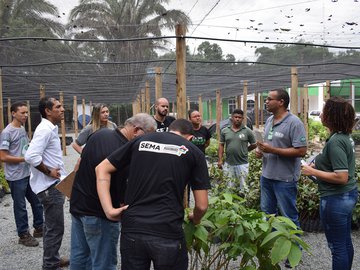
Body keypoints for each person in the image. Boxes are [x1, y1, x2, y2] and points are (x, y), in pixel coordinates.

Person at [96, 119, 210, 270]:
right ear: (190, 137)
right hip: (168, 231)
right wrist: (195, 219)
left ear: (170, 129)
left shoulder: (141, 141)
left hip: (133, 229)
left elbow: (101, 168)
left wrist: (109, 210)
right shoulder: (194, 152)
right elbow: (202, 206)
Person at [69, 113, 156, 270]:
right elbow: (119, 187)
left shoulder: (100, 134)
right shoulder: (123, 151)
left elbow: (81, 163)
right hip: (99, 214)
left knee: (80, 257)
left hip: (78, 205)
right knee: (104, 262)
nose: (147, 141)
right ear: (136, 130)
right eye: (148, 136)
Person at [302, 97, 357, 270]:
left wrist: (311, 171)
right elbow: (341, 164)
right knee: (345, 242)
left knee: (337, 247)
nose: (321, 114)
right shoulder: (343, 137)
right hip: (347, 196)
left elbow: (341, 177)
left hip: (335, 199)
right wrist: (319, 164)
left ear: (332, 115)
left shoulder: (335, 142)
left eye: (324, 110)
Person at [25, 97, 69, 269]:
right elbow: (30, 156)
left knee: (52, 226)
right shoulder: (45, 129)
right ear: (48, 111)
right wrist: (49, 171)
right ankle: (51, 264)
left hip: (50, 186)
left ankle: (53, 259)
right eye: (58, 106)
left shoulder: (49, 127)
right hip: (49, 187)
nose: (63, 109)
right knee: (54, 228)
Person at [256, 89, 307, 229]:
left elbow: (301, 150)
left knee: (288, 216)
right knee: (268, 215)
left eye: (269, 99)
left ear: (281, 102)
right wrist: (260, 150)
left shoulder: (294, 123)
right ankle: (274, 247)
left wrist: (273, 150)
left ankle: (295, 248)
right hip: (267, 176)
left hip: (285, 179)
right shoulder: (269, 120)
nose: (266, 102)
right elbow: (269, 142)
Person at [0, 101, 43, 247]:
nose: (25, 115)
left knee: (36, 201)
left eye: (26, 113)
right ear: (13, 113)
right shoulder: (7, 132)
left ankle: (39, 227)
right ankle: (23, 235)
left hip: (26, 173)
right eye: (22, 113)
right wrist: (24, 159)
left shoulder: (21, 128)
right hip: (15, 176)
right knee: (20, 206)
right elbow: (3, 156)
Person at [218, 109, 257, 190]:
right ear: (232, 118)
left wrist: (245, 150)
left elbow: (254, 144)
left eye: (240, 117)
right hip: (229, 163)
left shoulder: (247, 131)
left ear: (243, 118)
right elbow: (221, 145)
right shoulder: (225, 131)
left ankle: (244, 201)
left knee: (244, 186)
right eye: (235, 117)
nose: (237, 119)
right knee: (229, 186)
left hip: (242, 163)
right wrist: (220, 160)